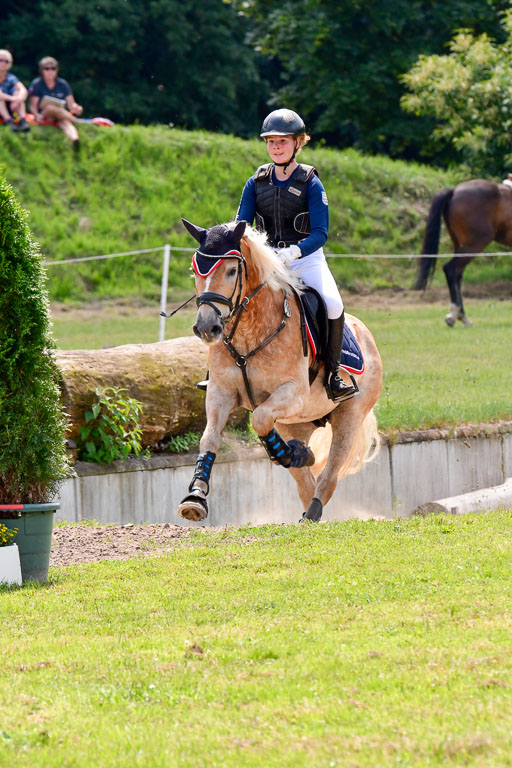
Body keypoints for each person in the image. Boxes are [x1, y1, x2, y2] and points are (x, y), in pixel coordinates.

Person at [235, 108, 357, 402]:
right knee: (233, 297)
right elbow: (242, 223)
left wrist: (293, 252)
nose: (276, 147)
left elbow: (321, 233)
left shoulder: (311, 182)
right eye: (271, 142)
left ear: (297, 143)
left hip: (305, 258)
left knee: (332, 303)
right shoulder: (256, 182)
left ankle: (333, 373)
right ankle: (218, 372)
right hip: (267, 261)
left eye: (283, 142)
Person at [28, 56, 83, 150]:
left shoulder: (63, 84)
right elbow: (33, 106)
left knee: (65, 123)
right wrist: (36, 115)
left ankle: (75, 139)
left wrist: (77, 108)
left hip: (61, 114)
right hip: (45, 114)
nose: (50, 71)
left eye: (53, 69)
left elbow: (71, 104)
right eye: (47, 69)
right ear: (42, 71)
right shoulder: (37, 84)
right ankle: (77, 121)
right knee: (50, 107)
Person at [0, 49, 30, 132]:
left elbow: (23, 89)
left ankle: (22, 120)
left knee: (17, 91)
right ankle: (8, 121)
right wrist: (13, 99)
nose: (3, 63)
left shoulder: (11, 77)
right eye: (0, 60)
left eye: (6, 61)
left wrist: (18, 98)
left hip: (9, 107)